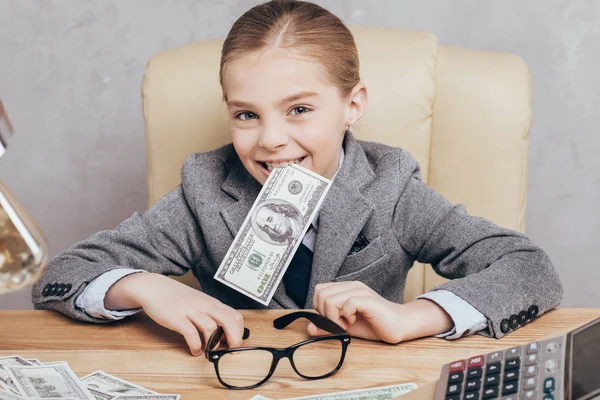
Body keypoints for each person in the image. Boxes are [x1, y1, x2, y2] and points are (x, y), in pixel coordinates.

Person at [32, 0, 563, 357]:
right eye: (246, 115)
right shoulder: (204, 189)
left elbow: (530, 269)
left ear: (352, 105)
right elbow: (63, 274)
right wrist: (141, 286)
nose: (270, 140)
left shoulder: (391, 186)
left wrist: (415, 317)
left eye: (299, 109)